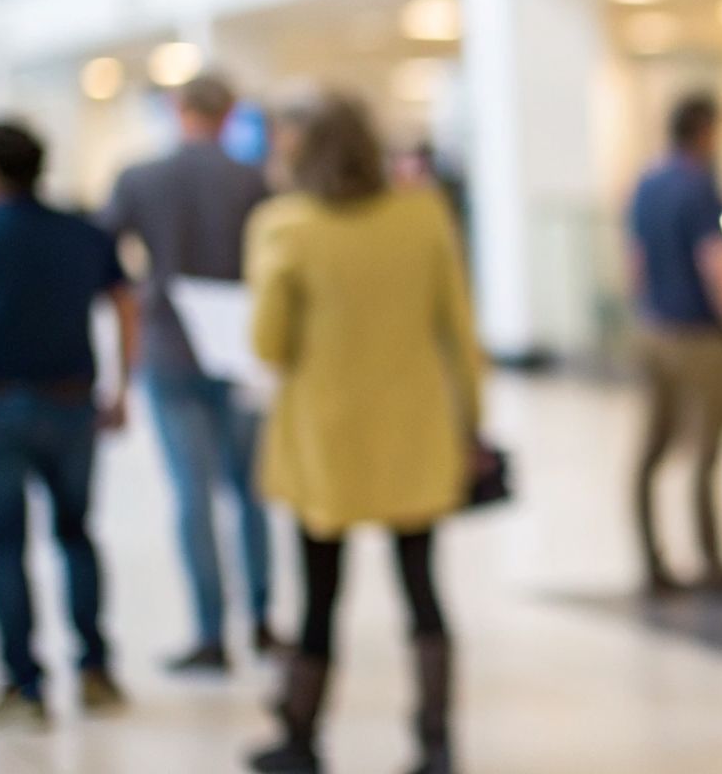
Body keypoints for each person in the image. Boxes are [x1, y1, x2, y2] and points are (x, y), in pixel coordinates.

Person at [244, 92, 480, 774]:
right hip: (416, 431)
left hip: (326, 440)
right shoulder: (422, 215)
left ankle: (301, 736)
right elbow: (458, 333)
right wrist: (474, 423)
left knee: (319, 593)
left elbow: (268, 342)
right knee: (423, 588)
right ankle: (436, 745)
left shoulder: (285, 225)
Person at [0, 122, 137, 728]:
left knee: (5, 549)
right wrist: (122, 386)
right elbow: (125, 303)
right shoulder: (83, 230)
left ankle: (24, 686)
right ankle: (96, 670)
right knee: (77, 535)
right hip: (72, 402)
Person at [100, 74, 277, 673]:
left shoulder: (141, 178)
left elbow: (106, 255)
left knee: (192, 495)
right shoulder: (252, 180)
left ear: (178, 110)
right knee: (249, 492)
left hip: (171, 341)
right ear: (230, 112)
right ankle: (261, 620)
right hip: (240, 343)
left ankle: (210, 633)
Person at [627, 93, 722, 594]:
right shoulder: (701, 187)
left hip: (655, 331)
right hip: (700, 339)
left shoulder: (646, 184)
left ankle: (650, 561)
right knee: (706, 452)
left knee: (651, 452)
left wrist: (647, 317)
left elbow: (634, 263)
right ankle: (711, 562)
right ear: (705, 131)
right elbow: (715, 265)